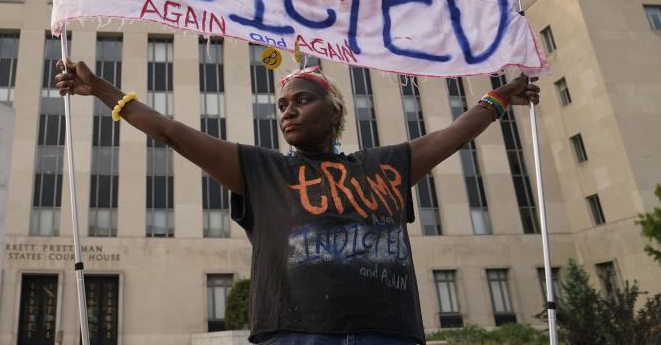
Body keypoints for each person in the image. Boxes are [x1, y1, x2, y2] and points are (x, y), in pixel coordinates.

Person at [56, 58, 539, 345]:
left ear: (334, 112)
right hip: (295, 334)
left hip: (387, 333)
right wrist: (101, 89)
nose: (288, 109)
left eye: (301, 100)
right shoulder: (262, 171)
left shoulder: (386, 165)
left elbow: (454, 134)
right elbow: (171, 132)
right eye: (283, 105)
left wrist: (498, 96)